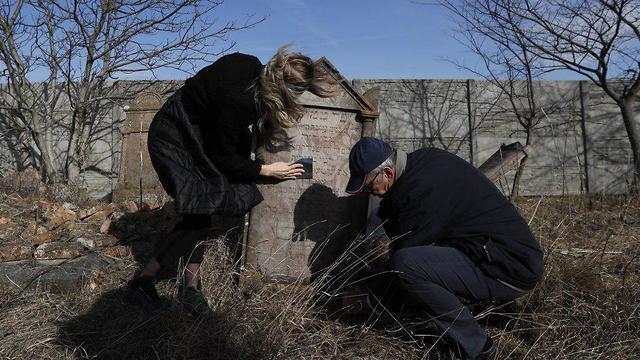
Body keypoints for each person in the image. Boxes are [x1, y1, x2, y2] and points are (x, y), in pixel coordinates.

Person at [127, 46, 335, 316]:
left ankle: (187, 286)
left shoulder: (251, 66)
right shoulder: (238, 100)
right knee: (200, 207)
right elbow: (222, 156)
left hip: (201, 131)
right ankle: (146, 282)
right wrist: (265, 170)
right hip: (174, 136)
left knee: (200, 211)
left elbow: (224, 128)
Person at [345, 137, 544, 360]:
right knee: (413, 265)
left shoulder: (421, 191)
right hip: (503, 255)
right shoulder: (424, 161)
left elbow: (401, 255)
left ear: (388, 173)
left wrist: (369, 294)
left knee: (406, 265)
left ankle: (476, 347)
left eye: (368, 185)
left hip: (508, 268)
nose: (367, 192)